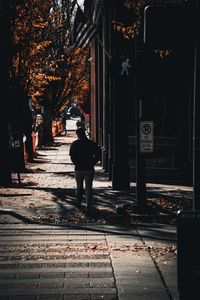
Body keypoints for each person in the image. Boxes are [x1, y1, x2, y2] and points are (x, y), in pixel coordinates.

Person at [69, 127, 101, 213]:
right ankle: (88, 205)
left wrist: (76, 163)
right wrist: (93, 162)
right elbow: (98, 154)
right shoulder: (91, 143)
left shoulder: (75, 144)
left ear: (78, 135)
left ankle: (78, 203)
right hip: (89, 168)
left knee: (79, 186)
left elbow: (72, 156)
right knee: (88, 187)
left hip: (78, 168)